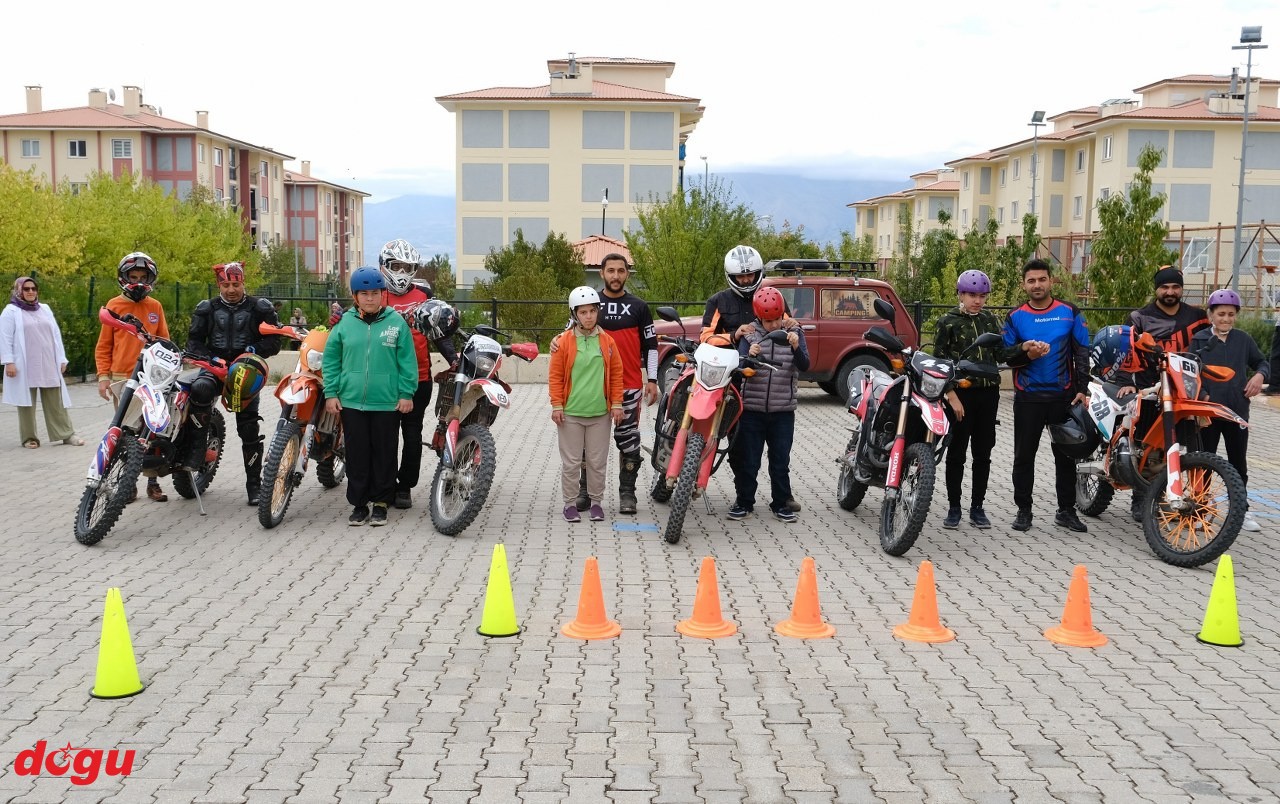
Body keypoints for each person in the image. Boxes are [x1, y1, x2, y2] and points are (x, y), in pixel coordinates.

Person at [700, 245, 799, 512]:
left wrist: (794, 327)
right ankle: (743, 494)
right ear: (730, 276)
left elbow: (788, 323)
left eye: (750, 275)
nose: (745, 280)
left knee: (776, 452)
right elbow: (705, 336)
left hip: (764, 379)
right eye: (740, 276)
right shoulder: (718, 301)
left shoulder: (772, 296)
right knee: (738, 443)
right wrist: (733, 337)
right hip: (724, 376)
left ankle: (782, 496)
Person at [322, 267, 418, 527]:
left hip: (387, 402)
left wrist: (406, 393)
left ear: (383, 294)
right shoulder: (343, 324)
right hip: (352, 401)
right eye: (364, 293)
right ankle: (359, 504)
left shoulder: (396, 323)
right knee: (357, 454)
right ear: (355, 296)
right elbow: (330, 360)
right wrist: (331, 392)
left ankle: (381, 503)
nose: (370, 298)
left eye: (375, 293)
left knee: (385, 453)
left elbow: (408, 362)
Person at [1001, 259, 1091, 533]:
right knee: (1023, 457)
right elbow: (1006, 356)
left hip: (1063, 398)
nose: (1037, 285)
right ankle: (1023, 511)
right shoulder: (1015, 317)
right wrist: (1026, 351)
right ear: (1024, 285)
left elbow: (1082, 352)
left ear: (1051, 281)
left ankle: (1066, 510)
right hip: (1028, 399)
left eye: (1042, 279)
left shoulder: (1069, 312)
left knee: (1066, 457)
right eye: (1031, 280)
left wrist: (1081, 389)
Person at [1117, 266, 1209, 521]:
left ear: (1181, 288)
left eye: (1175, 287)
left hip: (1187, 392)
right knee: (1146, 448)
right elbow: (1126, 351)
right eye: (1164, 287)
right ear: (1156, 289)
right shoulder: (1139, 317)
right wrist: (1127, 382)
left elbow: (1208, 352)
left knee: (1188, 446)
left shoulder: (1199, 317)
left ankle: (1188, 498)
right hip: (1151, 390)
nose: (1170, 292)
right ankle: (1141, 500)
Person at [186, 262, 281, 505]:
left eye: (236, 284)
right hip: (215, 367)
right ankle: (196, 451)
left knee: (248, 428)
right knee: (199, 389)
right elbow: (194, 343)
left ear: (243, 283)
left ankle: (254, 486)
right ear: (219, 284)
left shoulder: (259, 308)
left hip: (245, 370)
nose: (231, 289)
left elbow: (274, 343)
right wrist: (210, 358)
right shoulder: (207, 308)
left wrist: (253, 350)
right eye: (226, 284)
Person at [579, 252, 658, 515]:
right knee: (588, 442)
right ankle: (585, 493)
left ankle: (627, 495)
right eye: (610, 270)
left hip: (630, 386)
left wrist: (653, 380)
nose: (615, 276)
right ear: (602, 273)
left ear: (627, 274)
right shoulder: (590, 303)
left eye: (620, 271)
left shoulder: (639, 306)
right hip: (592, 387)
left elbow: (651, 346)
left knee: (628, 440)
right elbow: (569, 336)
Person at [728, 286, 809, 522]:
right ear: (759, 316)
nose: (773, 325)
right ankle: (744, 502)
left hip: (783, 412)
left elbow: (805, 366)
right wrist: (749, 355)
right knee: (749, 461)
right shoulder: (750, 334)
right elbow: (739, 372)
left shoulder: (795, 332)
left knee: (780, 461)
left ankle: (781, 503)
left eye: (776, 319)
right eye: (768, 320)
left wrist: (795, 346)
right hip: (752, 411)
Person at [1191, 288, 1269, 532]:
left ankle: (1240, 511)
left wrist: (1259, 376)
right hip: (1208, 412)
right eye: (1221, 314)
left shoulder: (1243, 339)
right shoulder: (1200, 340)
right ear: (1210, 314)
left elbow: (1262, 362)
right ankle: (1200, 510)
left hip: (1236, 411)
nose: (1226, 319)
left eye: (1231, 314)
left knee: (1238, 464)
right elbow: (1189, 371)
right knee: (1204, 461)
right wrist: (1203, 396)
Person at [95, 252, 171, 503]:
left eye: (143, 276)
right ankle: (127, 484)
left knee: (151, 431)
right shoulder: (114, 306)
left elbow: (165, 341)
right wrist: (103, 376)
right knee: (125, 431)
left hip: (151, 377)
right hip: (121, 378)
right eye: (133, 276)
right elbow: (104, 345)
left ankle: (153, 482)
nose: (138, 281)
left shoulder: (155, 306)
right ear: (123, 278)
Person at [932, 270, 1002, 530]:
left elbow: (1002, 352)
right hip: (961, 395)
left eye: (982, 296)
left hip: (988, 394)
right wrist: (951, 395)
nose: (978, 301)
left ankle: (977, 507)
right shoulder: (947, 322)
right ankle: (953, 507)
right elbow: (938, 363)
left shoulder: (990, 320)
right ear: (960, 294)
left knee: (983, 454)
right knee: (957, 454)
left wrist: (1027, 349)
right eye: (972, 295)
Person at [549, 286, 624, 523]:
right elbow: (555, 376)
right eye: (583, 312)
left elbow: (617, 374)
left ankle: (596, 502)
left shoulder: (608, 342)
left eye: (592, 311)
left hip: (600, 414)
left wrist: (617, 404)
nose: (589, 316)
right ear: (574, 314)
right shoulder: (563, 342)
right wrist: (557, 405)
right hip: (570, 413)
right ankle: (570, 504)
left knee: (597, 462)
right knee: (571, 463)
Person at [378, 238, 439, 510]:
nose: (401, 272)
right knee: (385, 436)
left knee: (412, 436)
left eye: (408, 267)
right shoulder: (375, 295)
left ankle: (405, 487)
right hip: (384, 379)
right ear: (384, 266)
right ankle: (386, 484)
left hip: (420, 378)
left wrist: (454, 357)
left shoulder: (424, 296)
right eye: (396, 266)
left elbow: (439, 332)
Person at [0, 276, 82, 449]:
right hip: (25, 364)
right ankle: (29, 438)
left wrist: (61, 358)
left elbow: (56, 335)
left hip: (48, 362)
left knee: (55, 401)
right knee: (26, 403)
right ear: (18, 290)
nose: (31, 292)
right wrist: (8, 361)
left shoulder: (44, 308)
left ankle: (66, 434)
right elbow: (4, 338)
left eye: (33, 289)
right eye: (26, 289)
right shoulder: (11, 311)